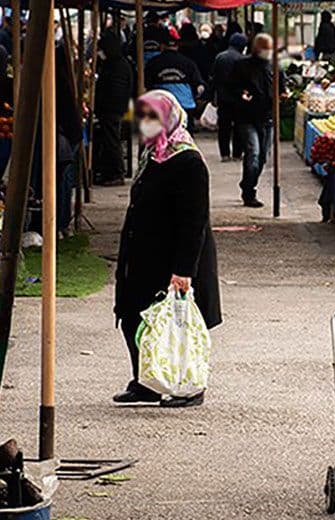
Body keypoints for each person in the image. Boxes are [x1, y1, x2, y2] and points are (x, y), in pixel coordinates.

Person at [113, 90, 221, 408]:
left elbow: (194, 221)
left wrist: (184, 270)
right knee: (135, 318)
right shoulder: (153, 154)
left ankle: (189, 386)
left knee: (177, 324)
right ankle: (146, 382)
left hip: (172, 258)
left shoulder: (187, 160)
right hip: (145, 254)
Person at [229, 33, 278, 207]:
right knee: (253, 154)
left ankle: (248, 184)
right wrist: (241, 94)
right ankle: (249, 192)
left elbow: (280, 86)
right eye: (265, 48)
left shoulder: (274, 66)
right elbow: (231, 87)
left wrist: (282, 94)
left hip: (268, 117)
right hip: (247, 118)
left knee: (263, 157)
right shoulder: (242, 65)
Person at [93, 30, 133, 186]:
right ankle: (109, 172)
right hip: (113, 109)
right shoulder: (117, 63)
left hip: (112, 109)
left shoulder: (117, 66)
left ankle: (116, 173)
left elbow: (115, 90)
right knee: (110, 140)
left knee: (112, 141)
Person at [145, 31, 205, 129]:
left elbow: (147, 84)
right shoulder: (188, 62)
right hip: (185, 104)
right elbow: (199, 85)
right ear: (177, 46)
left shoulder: (153, 63)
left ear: (162, 46)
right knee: (186, 133)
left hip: (161, 105)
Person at [211, 32, 247, 162]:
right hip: (239, 99)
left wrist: (213, 96)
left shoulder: (220, 57)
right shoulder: (243, 59)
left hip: (223, 98)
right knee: (239, 126)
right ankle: (237, 153)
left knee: (224, 127)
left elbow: (213, 78)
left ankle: (225, 154)